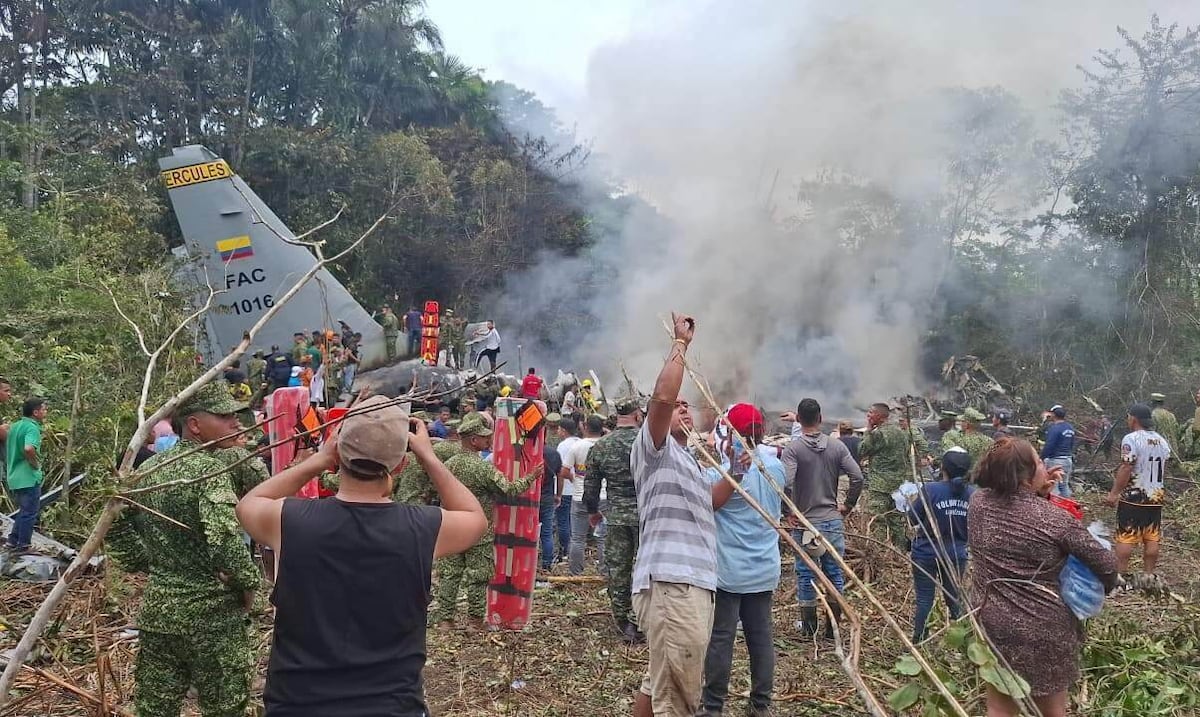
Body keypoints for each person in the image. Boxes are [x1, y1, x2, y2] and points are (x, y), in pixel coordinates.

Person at [235, 395, 488, 716]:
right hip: (391, 706)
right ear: (400, 464)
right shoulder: (422, 528)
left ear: (338, 453)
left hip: (298, 704)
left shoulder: (290, 520)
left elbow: (248, 504)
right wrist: (428, 457)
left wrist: (317, 460)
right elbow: (474, 517)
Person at [105, 383, 260, 716]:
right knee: (225, 709)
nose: (235, 423)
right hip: (212, 619)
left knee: (155, 709)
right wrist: (248, 585)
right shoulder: (209, 472)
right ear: (195, 425)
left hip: (159, 615)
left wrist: (152, 564)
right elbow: (226, 543)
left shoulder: (149, 470)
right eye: (224, 416)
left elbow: (114, 526)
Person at [631, 312, 739, 717]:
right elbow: (661, 397)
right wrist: (680, 345)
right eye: (676, 407)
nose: (683, 409)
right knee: (677, 694)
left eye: (686, 406)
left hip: (692, 581)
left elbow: (709, 503)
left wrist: (735, 473)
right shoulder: (653, 448)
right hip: (672, 581)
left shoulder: (689, 459)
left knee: (661, 679)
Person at [969, 438, 1117, 717]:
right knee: (1051, 711)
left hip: (991, 620)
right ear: (1025, 476)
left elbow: (1017, 516)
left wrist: (1039, 494)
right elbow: (1107, 565)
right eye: (1039, 462)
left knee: (999, 707)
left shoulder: (978, 503)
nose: (1044, 466)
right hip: (1044, 628)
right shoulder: (1055, 520)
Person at [701, 403, 783, 717]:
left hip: (729, 572)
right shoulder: (774, 466)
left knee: (721, 638)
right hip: (764, 567)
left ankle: (713, 707)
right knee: (760, 637)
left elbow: (709, 502)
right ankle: (760, 705)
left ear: (730, 432)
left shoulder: (723, 472)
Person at [432, 412, 535, 627]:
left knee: (450, 575)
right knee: (478, 576)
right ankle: (475, 620)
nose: (489, 440)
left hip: (451, 527)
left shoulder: (447, 465)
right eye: (485, 437)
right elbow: (509, 489)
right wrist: (531, 477)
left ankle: (445, 620)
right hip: (478, 530)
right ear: (473, 440)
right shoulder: (482, 467)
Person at [782, 398, 863, 637]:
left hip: (806, 523)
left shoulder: (793, 449)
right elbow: (857, 477)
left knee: (806, 573)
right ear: (821, 418)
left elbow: (785, 482)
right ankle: (832, 629)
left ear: (798, 418)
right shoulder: (837, 447)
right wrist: (847, 506)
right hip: (832, 520)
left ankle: (809, 629)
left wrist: (788, 512)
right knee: (834, 572)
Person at [585, 396, 643, 642]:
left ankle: (622, 618)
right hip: (645, 516)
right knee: (643, 568)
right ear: (638, 415)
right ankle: (638, 619)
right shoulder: (647, 442)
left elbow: (590, 486)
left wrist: (593, 511)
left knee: (618, 568)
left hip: (616, 516)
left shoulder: (601, 446)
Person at [909, 448, 973, 642]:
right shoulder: (973, 494)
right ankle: (966, 642)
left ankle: (919, 642)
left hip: (925, 553)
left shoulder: (930, 490)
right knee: (954, 598)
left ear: (943, 468)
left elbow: (913, 518)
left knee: (924, 599)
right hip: (956, 554)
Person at [1105, 403, 1170, 579]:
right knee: (1152, 535)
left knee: (1126, 535)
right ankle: (1148, 576)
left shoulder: (1131, 439)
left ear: (1133, 419)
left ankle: (1120, 576)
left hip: (1134, 496)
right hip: (1156, 496)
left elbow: (1127, 467)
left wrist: (1114, 493)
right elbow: (1164, 468)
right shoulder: (1162, 441)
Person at [859, 402, 910, 547]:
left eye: (871, 413)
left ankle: (879, 551)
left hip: (880, 485)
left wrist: (868, 430)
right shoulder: (901, 433)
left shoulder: (878, 434)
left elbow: (862, 450)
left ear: (880, 416)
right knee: (896, 520)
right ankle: (900, 551)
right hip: (898, 484)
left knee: (877, 520)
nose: (868, 416)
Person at [6, 397, 47, 554]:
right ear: (35, 412)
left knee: (24, 511)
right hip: (28, 476)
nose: (45, 412)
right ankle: (24, 545)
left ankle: (12, 541)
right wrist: (34, 464)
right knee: (30, 513)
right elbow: (29, 448)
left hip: (14, 476)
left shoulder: (15, 426)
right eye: (43, 409)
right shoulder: (32, 428)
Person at [568, 414, 604, 575]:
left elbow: (564, 470)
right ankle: (605, 572)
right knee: (603, 538)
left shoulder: (577, 446)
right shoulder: (605, 445)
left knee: (577, 538)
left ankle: (575, 572)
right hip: (603, 496)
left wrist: (575, 479)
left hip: (579, 496)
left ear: (585, 427)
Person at [554, 417, 581, 562]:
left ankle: (565, 549)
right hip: (579, 489)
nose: (557, 431)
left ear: (563, 431)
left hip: (565, 489)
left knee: (563, 521)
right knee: (575, 521)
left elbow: (561, 469)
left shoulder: (563, 446)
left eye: (558, 429)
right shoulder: (580, 443)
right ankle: (575, 550)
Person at [538, 440, 564, 571]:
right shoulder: (553, 453)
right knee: (547, 532)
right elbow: (560, 476)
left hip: (528, 498)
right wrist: (558, 495)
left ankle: (527, 561)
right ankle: (547, 563)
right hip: (547, 497)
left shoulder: (526, 451)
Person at [1041, 404, 1075, 498]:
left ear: (1054, 415)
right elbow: (1072, 444)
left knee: (1053, 486)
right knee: (1064, 485)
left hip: (1055, 461)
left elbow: (1049, 445)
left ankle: (1053, 505)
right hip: (1067, 460)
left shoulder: (1054, 428)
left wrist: (1041, 458)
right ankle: (1066, 504)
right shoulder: (1070, 427)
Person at [1148, 392, 1179, 459]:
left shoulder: (1153, 415)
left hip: (1160, 451)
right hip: (1173, 451)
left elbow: (1151, 433)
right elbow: (1177, 432)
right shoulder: (1171, 415)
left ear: (1153, 402)